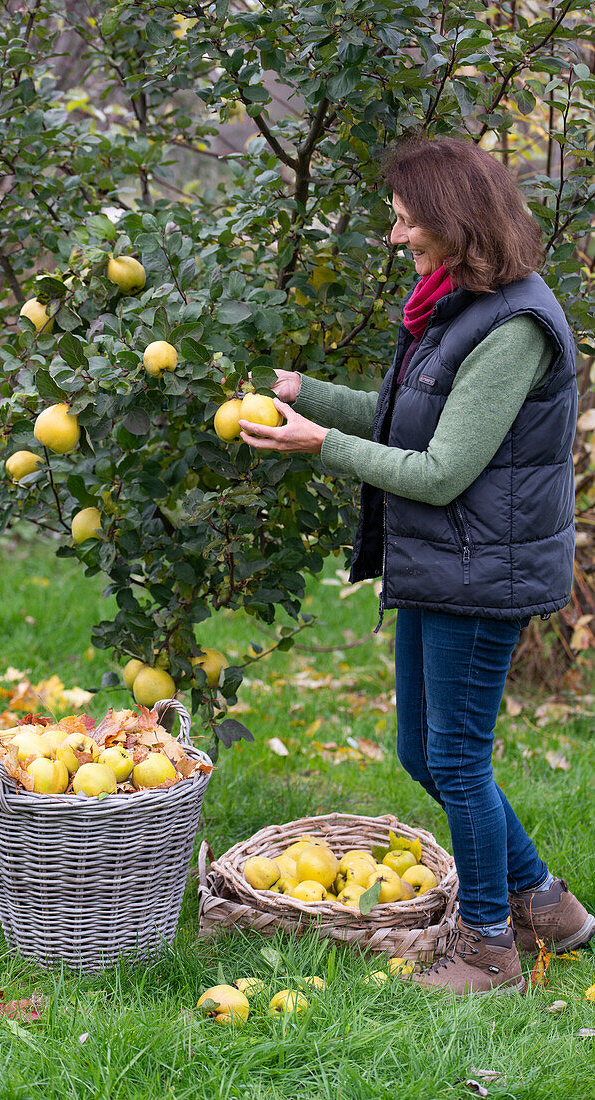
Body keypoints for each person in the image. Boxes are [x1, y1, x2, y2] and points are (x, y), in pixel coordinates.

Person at [238, 137, 595, 996]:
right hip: (451, 563)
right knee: (421, 750)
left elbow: (439, 471)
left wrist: (319, 446)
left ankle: (487, 948)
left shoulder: (513, 327)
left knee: (458, 760)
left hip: (485, 571)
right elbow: (409, 419)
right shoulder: (457, 306)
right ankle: (546, 906)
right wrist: (303, 393)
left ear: (455, 221)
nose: (395, 236)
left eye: (406, 221)